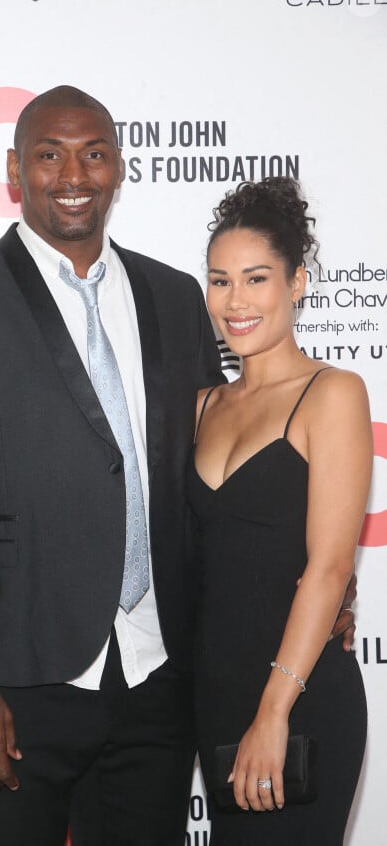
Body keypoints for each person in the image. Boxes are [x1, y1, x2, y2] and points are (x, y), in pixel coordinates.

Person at [0, 85, 224, 846]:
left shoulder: (174, 297)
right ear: (14, 171)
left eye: (94, 153)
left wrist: (300, 584)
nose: (73, 173)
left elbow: (215, 483)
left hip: (156, 677)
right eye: (49, 154)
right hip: (13, 683)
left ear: (118, 170)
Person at [190, 177, 371, 844]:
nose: (235, 301)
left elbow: (327, 568)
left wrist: (273, 714)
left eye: (256, 279)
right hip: (215, 698)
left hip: (299, 699)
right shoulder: (202, 406)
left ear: (296, 283)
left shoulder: (333, 394)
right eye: (219, 281)